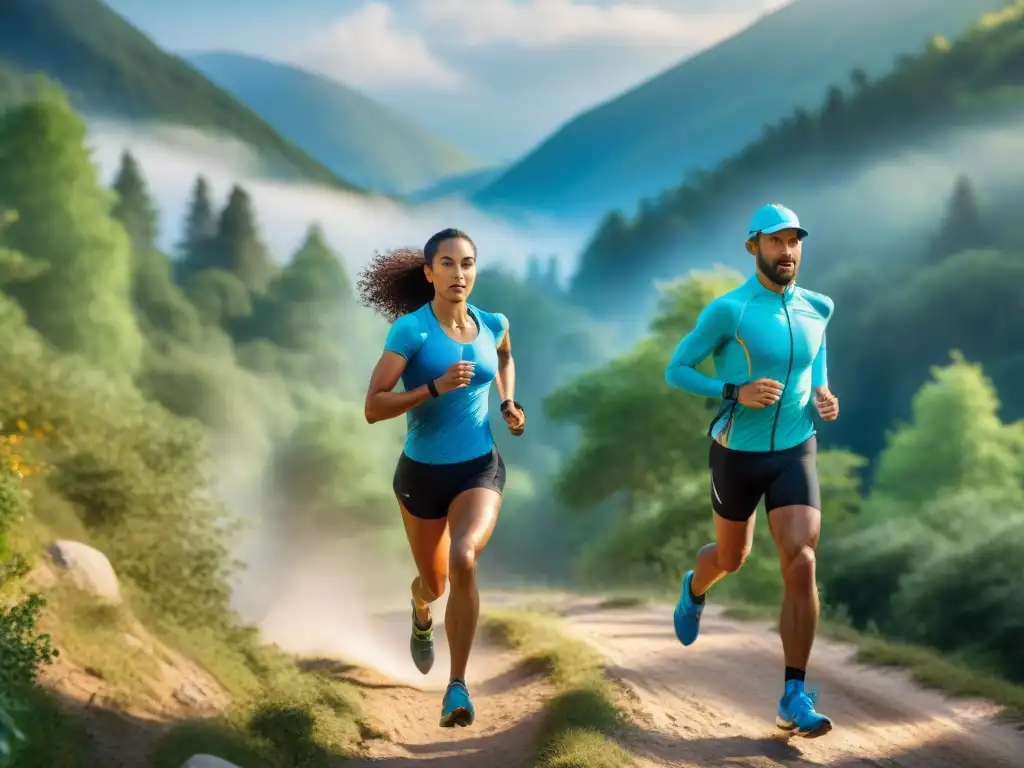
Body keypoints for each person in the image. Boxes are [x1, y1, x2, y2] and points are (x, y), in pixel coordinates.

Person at [664, 203, 839, 739]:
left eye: (794, 242)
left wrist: (824, 392)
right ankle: (696, 586)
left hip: (794, 448)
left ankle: (793, 693)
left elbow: (816, 354)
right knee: (732, 558)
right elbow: (677, 369)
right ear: (752, 247)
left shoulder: (819, 307)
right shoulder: (729, 311)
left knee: (802, 558)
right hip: (736, 452)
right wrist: (733, 390)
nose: (786, 252)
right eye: (775, 242)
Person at [360, 228, 526, 728]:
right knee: (434, 583)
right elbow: (373, 406)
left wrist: (508, 402)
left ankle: (457, 687)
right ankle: (419, 608)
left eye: (468, 263)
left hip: (478, 464)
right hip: (420, 474)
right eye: (449, 264)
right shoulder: (411, 331)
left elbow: (503, 355)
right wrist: (430, 388)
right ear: (429, 272)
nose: (460, 273)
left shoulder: (493, 322)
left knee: (464, 556)